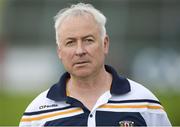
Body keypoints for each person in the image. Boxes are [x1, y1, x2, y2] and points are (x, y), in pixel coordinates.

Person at [19, 3, 171, 127]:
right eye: (70, 42)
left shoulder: (145, 103)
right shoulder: (37, 113)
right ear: (59, 51)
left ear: (105, 44)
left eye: (88, 40)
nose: (80, 51)